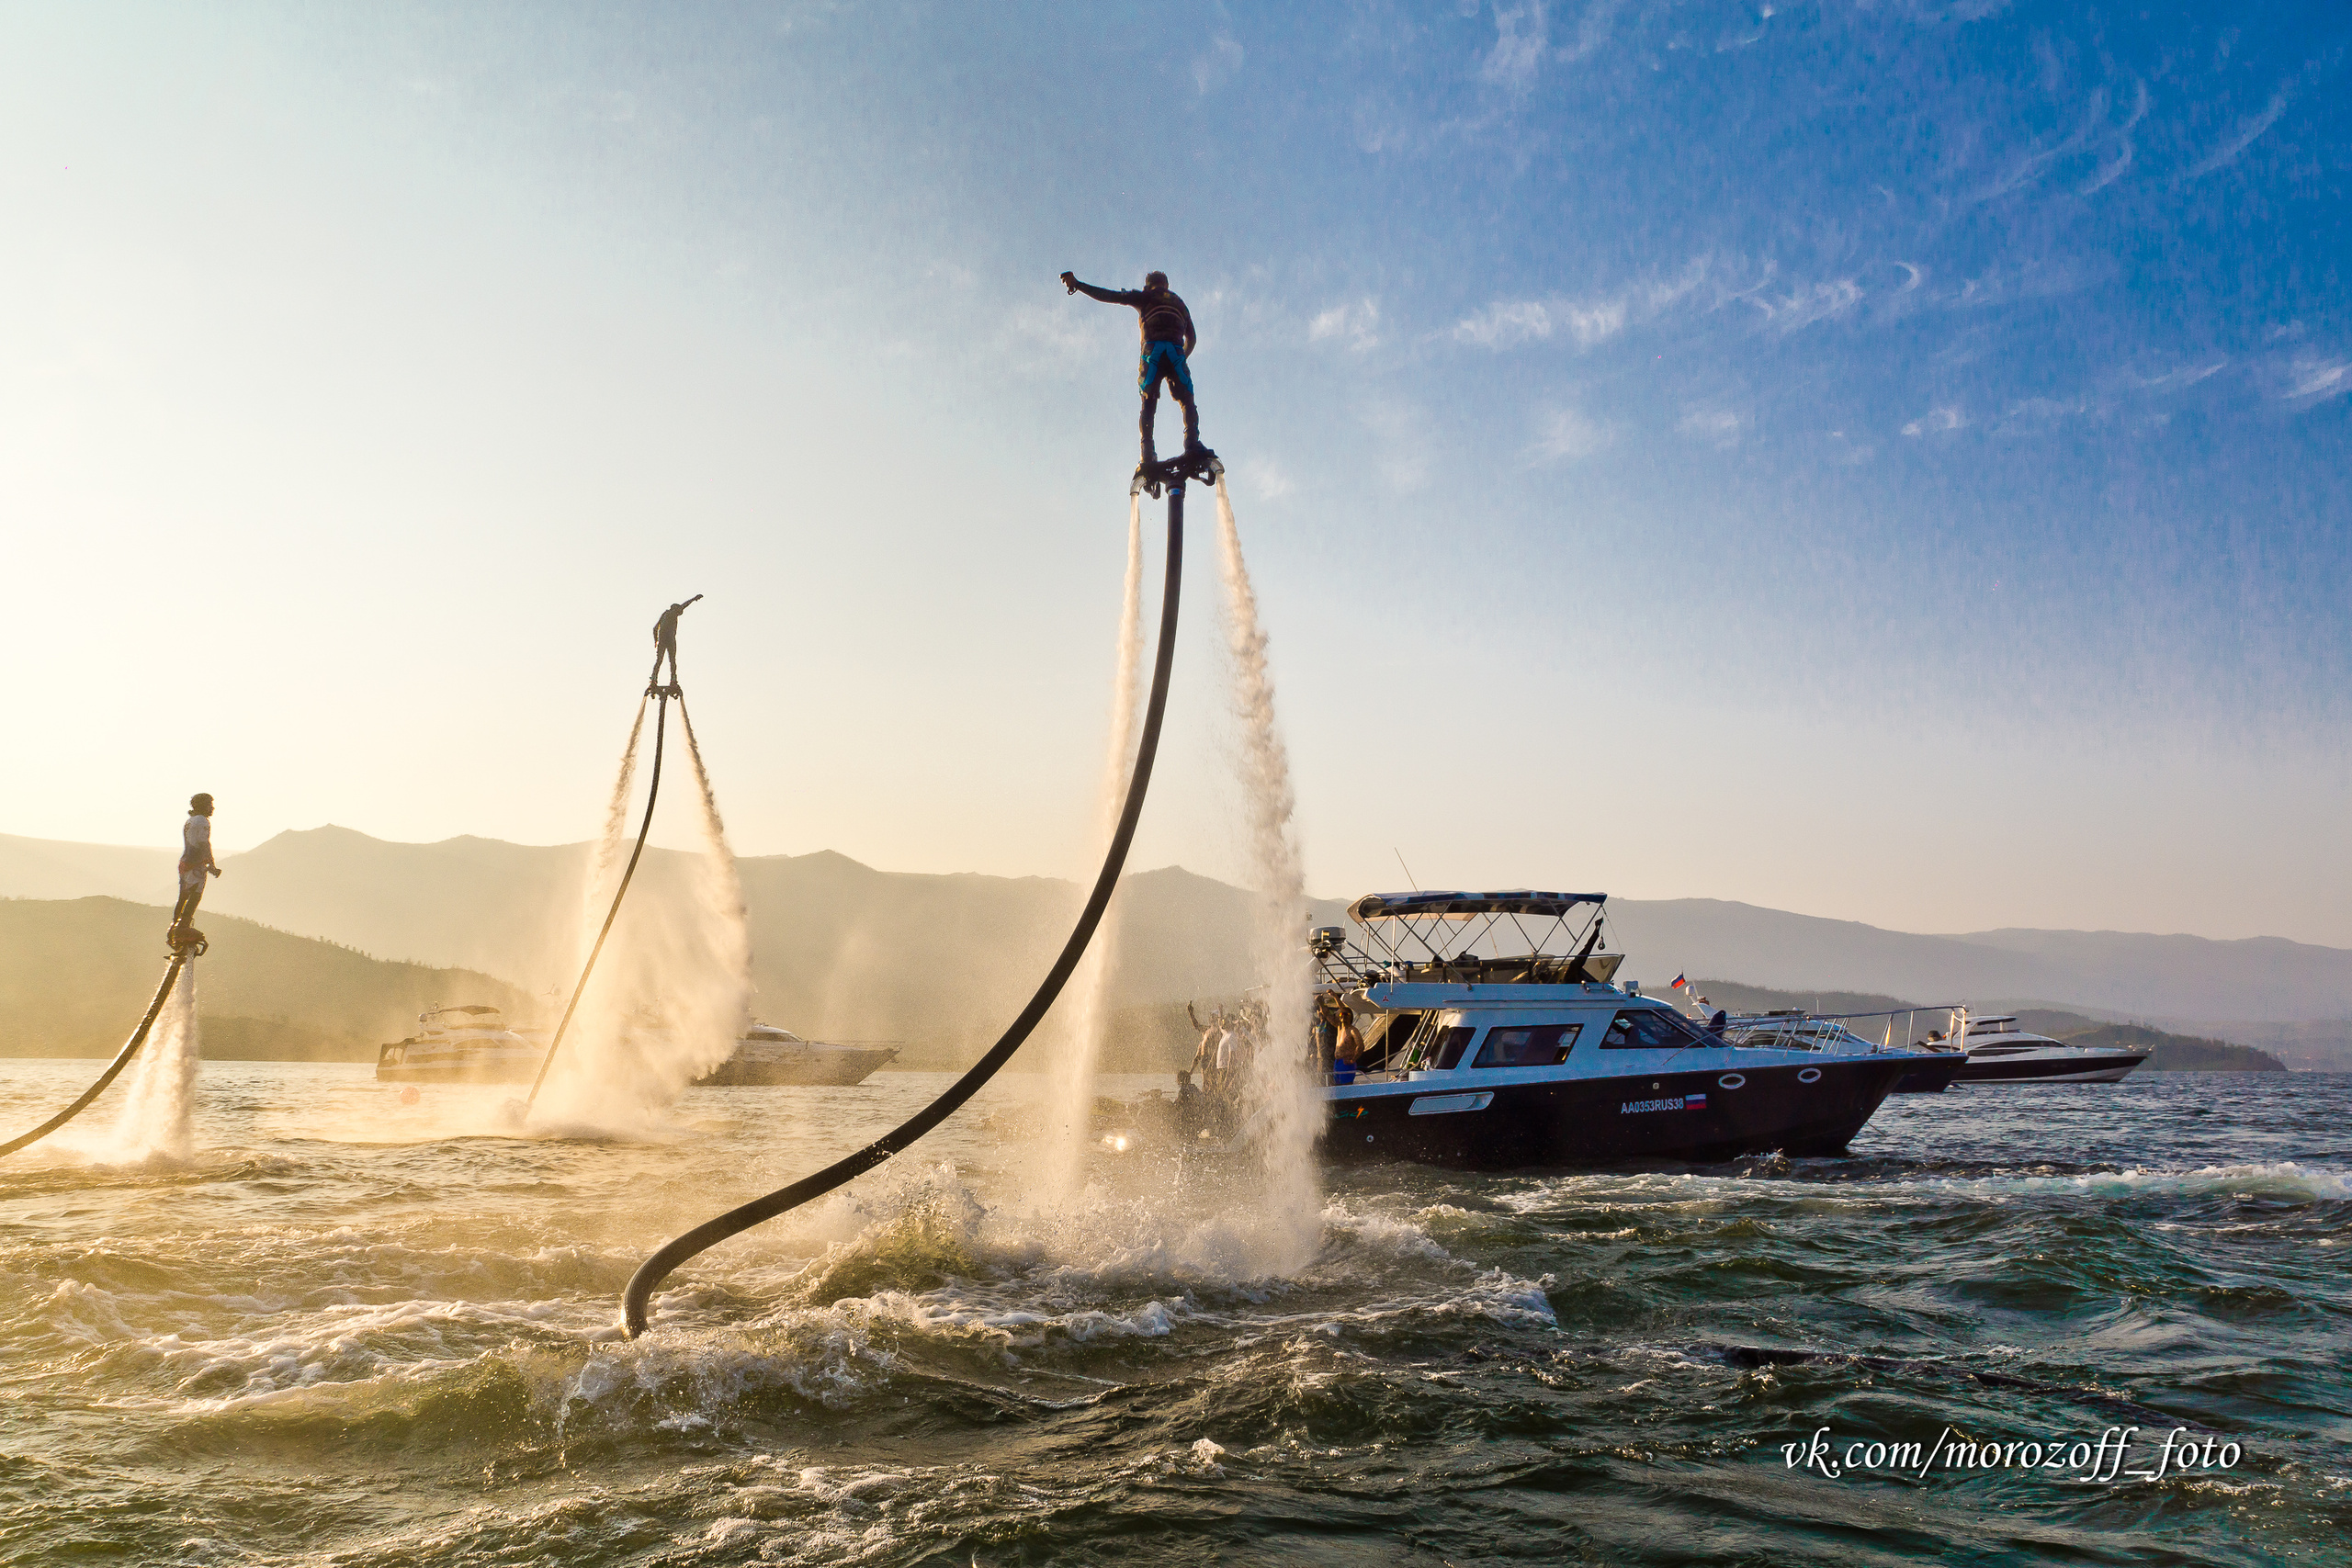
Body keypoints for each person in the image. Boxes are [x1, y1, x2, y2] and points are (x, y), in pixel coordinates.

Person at [1061, 268, 1203, 468]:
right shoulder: (1180, 304)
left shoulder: (1144, 297)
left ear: (1148, 284)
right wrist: (1182, 358)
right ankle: (1192, 442)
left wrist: (1078, 285)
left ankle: (1146, 453)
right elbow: (1193, 339)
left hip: (1152, 354)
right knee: (1187, 400)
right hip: (1175, 353)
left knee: (1148, 403)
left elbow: (1110, 296)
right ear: (1166, 285)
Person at [169, 793, 221, 944]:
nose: (213, 808)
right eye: (210, 804)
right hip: (196, 864)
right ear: (203, 805)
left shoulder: (190, 821)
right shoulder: (203, 821)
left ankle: (174, 927)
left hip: (185, 862)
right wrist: (211, 865)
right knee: (195, 896)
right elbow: (204, 843)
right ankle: (183, 928)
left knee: (183, 896)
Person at [650, 594, 702, 688]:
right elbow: (684, 605)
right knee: (672, 660)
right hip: (669, 639)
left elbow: (654, 628)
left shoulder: (664, 614)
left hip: (662, 639)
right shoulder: (672, 613)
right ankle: (673, 679)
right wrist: (694, 599)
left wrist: (656, 640)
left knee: (659, 660)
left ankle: (654, 679)